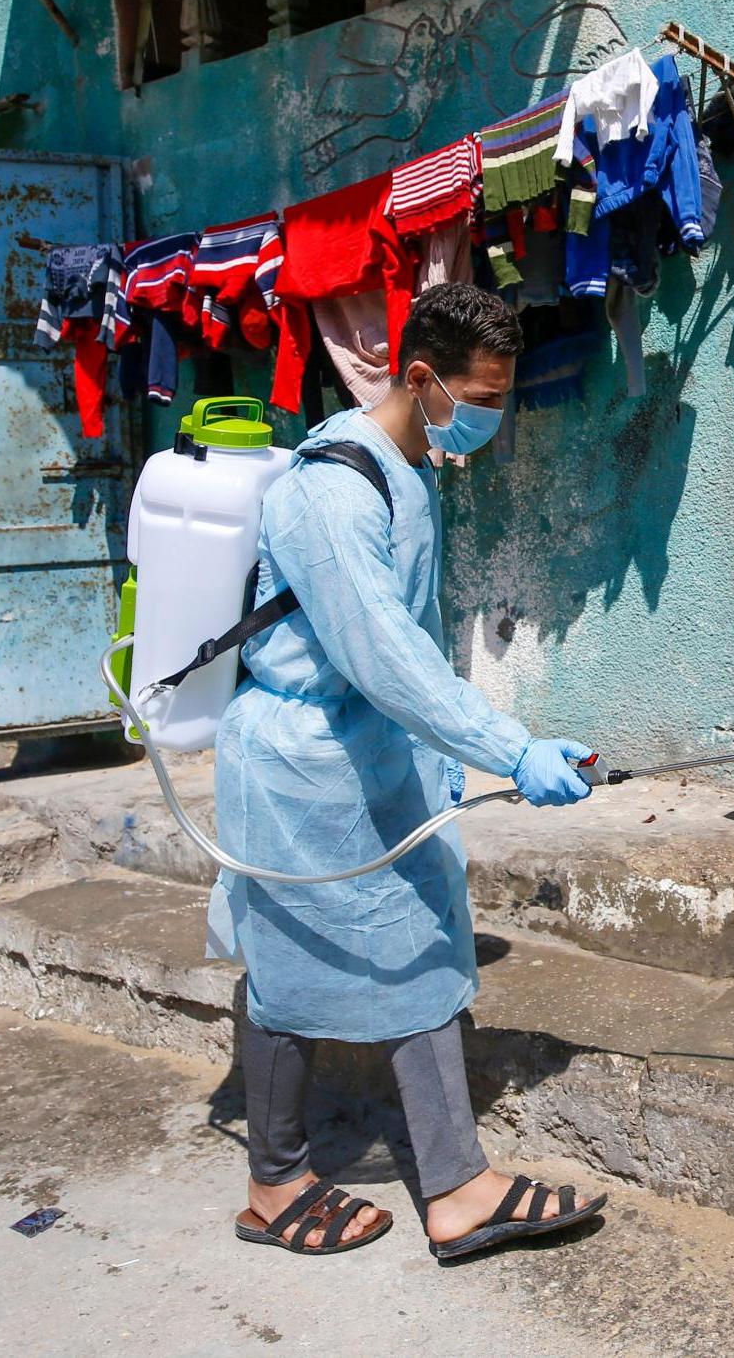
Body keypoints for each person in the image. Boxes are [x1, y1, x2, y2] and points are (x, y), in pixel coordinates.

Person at [212, 281, 608, 1263]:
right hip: (301, 767)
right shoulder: (329, 493)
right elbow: (384, 656)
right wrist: (508, 748)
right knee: (288, 973)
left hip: (369, 757)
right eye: (476, 397)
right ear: (421, 377)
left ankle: (456, 1184)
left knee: (417, 950)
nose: (485, 418)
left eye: (497, 398)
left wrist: (446, 753)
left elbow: (409, 648)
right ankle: (273, 1182)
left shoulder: (408, 465)